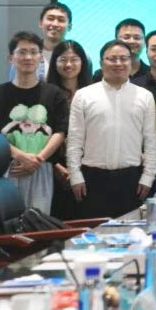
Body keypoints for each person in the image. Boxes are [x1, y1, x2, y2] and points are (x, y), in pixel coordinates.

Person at [67, 40, 156, 218]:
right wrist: (75, 176)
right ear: (101, 63)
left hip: (131, 179)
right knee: (93, 232)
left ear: (131, 62)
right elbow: (74, 140)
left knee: (131, 232)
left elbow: (151, 141)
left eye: (124, 58)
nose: (118, 63)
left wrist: (148, 177)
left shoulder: (145, 96)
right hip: (92, 179)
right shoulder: (84, 95)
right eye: (112, 59)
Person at [0, 32, 69, 214]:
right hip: (8, 168)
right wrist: (21, 157)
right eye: (22, 52)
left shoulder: (54, 94)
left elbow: (60, 131)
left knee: (38, 220)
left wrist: (37, 160)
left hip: (41, 168)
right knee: (7, 220)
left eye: (33, 52)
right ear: (11, 58)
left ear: (41, 57)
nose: (28, 57)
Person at [45, 40, 93, 219]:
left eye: (74, 59)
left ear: (83, 62)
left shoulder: (93, 92)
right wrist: (55, 165)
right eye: (63, 59)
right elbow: (41, 133)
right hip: (56, 167)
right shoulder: (46, 93)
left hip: (88, 166)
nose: (68, 64)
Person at [8, 3, 72, 82]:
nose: (55, 24)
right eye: (50, 19)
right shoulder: (24, 54)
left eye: (61, 20)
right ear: (40, 23)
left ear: (69, 26)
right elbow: (14, 84)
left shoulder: (78, 54)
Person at [91, 18, 150, 83]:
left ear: (144, 42)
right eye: (126, 37)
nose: (132, 41)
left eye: (137, 38)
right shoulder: (101, 75)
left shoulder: (152, 75)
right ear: (116, 40)